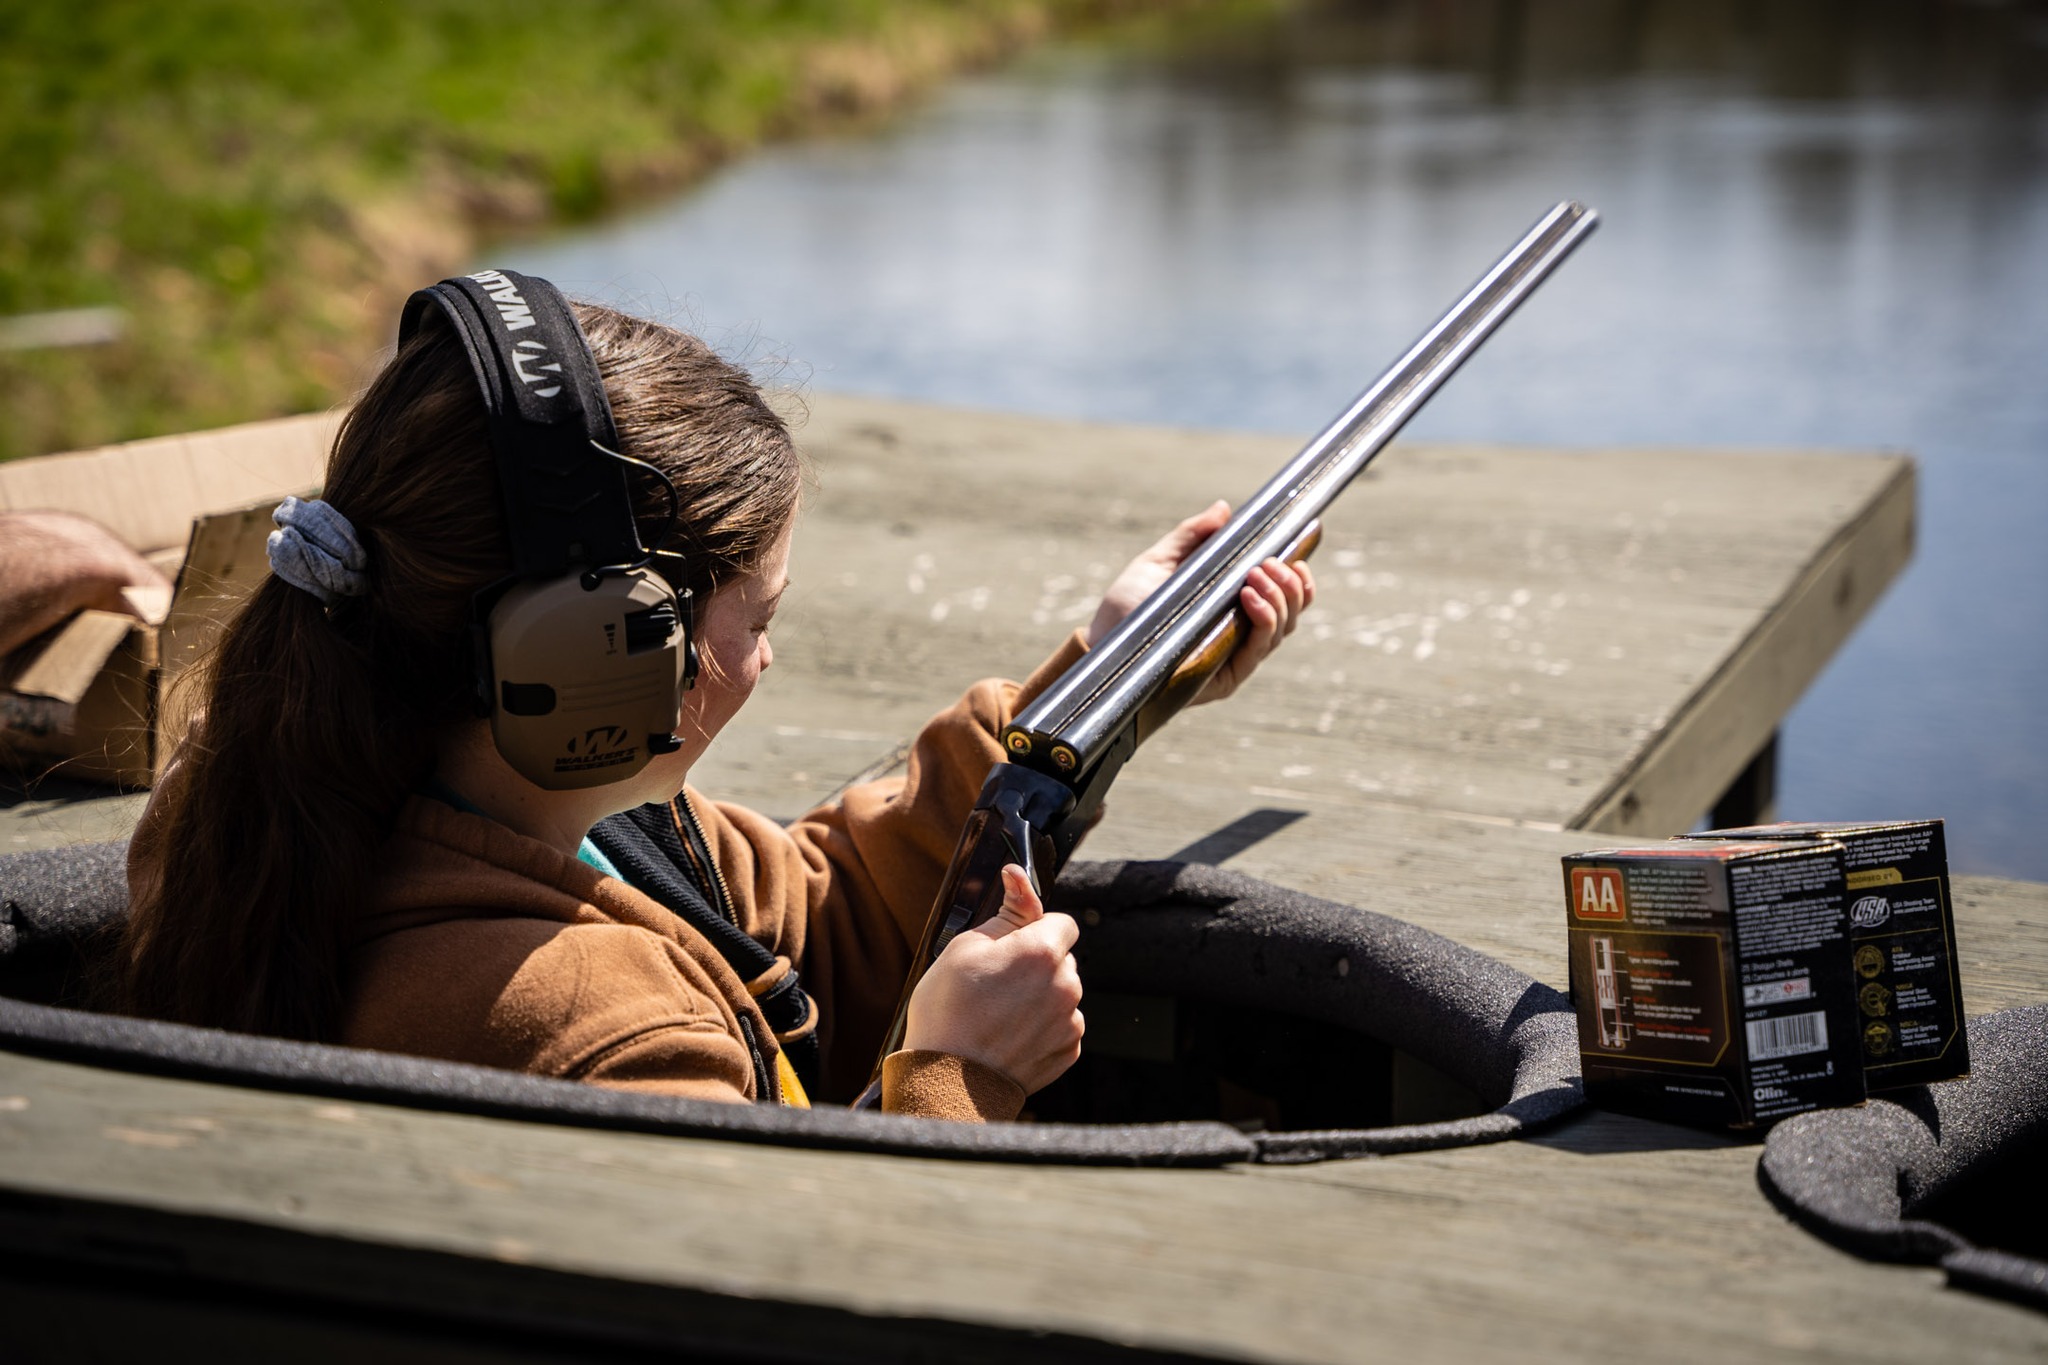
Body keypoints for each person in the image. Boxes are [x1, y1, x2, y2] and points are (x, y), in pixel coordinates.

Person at [119, 294, 1312, 1122]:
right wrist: (956, 1074)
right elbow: (783, 1295)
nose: (769, 660)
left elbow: (830, 919)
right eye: (760, 620)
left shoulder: (342, 789)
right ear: (603, 657)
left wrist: (1114, 666)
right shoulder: (603, 1035)